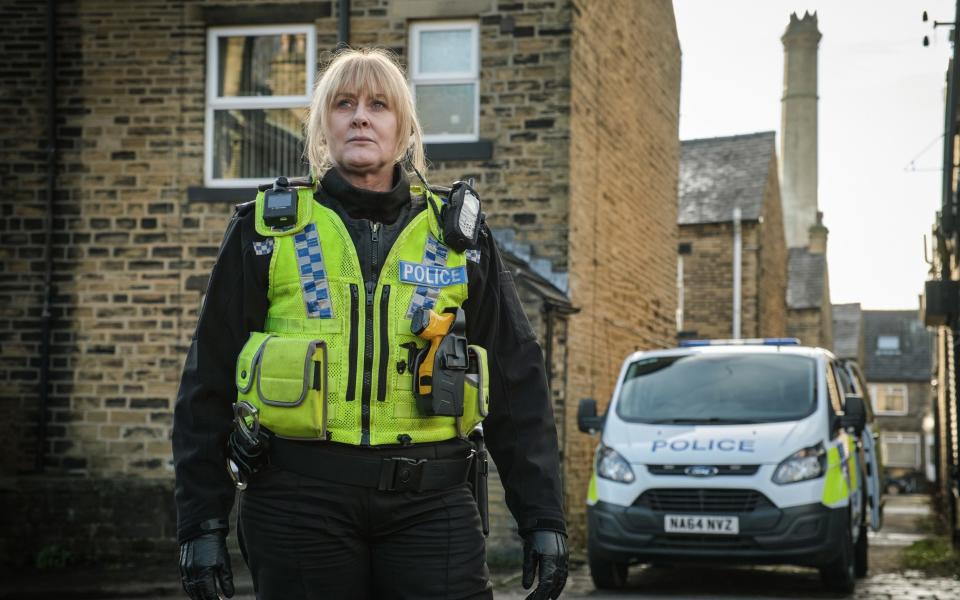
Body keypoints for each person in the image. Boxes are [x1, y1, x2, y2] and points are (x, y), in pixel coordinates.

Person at [173, 47, 568, 600]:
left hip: (433, 508)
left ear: (405, 130)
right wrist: (201, 525)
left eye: (379, 105)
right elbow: (206, 383)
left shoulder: (458, 237)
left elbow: (516, 380)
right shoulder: (264, 232)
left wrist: (542, 517)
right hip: (297, 504)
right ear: (321, 127)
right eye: (343, 104)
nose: (360, 116)